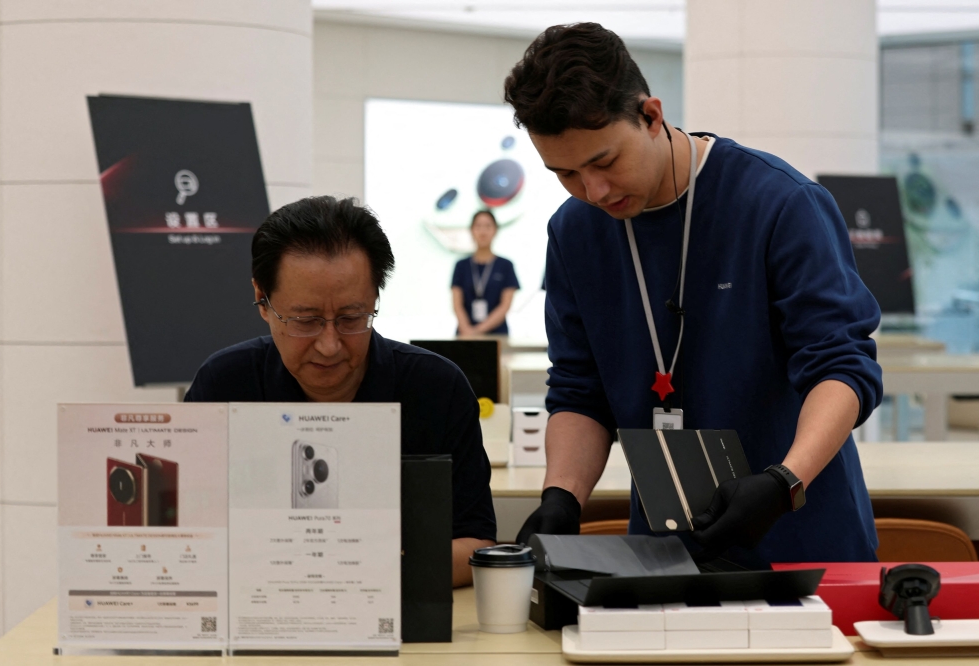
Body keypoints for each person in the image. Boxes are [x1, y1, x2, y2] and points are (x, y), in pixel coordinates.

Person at [506, 24, 883, 565]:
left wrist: (782, 482)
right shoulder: (575, 233)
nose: (595, 191)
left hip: (801, 535)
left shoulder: (778, 204)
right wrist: (562, 497)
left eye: (605, 162)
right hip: (663, 554)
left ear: (652, 115)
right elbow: (578, 391)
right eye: (565, 173)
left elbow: (842, 368)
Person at [185, 195, 496, 586]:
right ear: (261, 300)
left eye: (352, 318)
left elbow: (475, 545)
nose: (329, 344)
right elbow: (186, 536)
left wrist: (346, 572)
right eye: (305, 320)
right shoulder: (224, 386)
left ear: (376, 298)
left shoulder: (436, 388)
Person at [451, 210, 520, 336]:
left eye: (488, 226)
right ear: (471, 231)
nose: (483, 231)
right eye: (478, 226)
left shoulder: (506, 265)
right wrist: (467, 331)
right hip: (464, 335)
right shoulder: (461, 266)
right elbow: (457, 304)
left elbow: (505, 305)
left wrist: (477, 331)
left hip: (497, 336)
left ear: (495, 230)